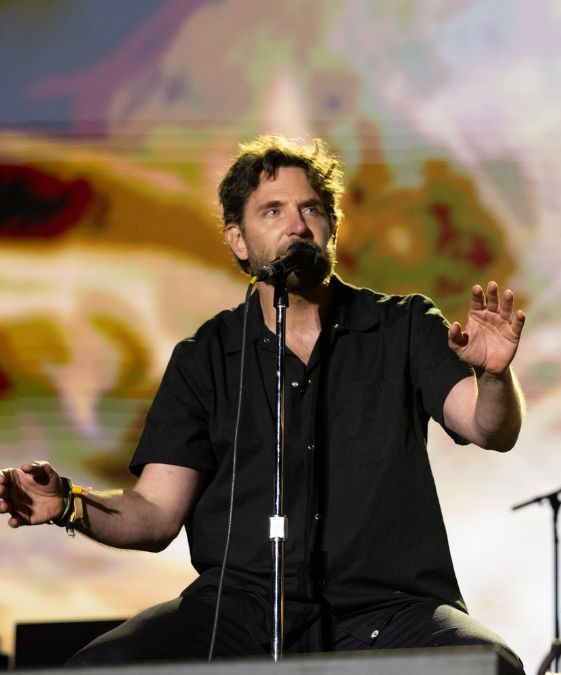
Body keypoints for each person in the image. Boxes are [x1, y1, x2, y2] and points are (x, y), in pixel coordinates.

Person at [0, 136, 526, 665]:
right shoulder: (204, 357)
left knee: (489, 664)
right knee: (96, 667)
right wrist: (68, 502)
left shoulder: (403, 325)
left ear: (331, 229)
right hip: (237, 614)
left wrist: (495, 377)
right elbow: (155, 512)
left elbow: (490, 429)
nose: (297, 224)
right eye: (273, 211)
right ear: (238, 240)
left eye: (311, 209)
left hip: (388, 611)